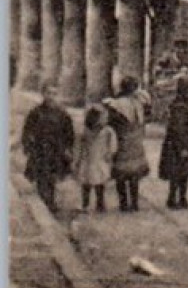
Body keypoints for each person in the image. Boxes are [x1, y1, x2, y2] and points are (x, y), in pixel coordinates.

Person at [22, 83, 74, 213]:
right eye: (48, 93)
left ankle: (50, 201)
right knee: (41, 176)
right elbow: (27, 130)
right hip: (40, 150)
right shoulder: (35, 113)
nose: (51, 96)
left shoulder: (62, 114)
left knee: (52, 177)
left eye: (54, 93)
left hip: (56, 150)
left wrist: (68, 148)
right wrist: (28, 145)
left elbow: (69, 133)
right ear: (43, 94)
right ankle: (44, 202)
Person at [105, 76, 152, 212]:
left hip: (122, 139)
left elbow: (111, 121)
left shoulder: (115, 104)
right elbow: (148, 115)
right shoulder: (140, 103)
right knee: (134, 174)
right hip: (136, 139)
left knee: (121, 173)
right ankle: (134, 203)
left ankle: (124, 203)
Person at [159, 73, 188, 209]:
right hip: (179, 143)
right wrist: (182, 147)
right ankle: (172, 198)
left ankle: (183, 197)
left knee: (185, 171)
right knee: (176, 173)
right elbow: (177, 128)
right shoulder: (179, 106)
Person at [74, 105, 118, 213]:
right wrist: (76, 159)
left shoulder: (108, 131)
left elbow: (113, 144)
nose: (106, 119)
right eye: (103, 117)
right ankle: (85, 204)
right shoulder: (85, 131)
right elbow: (78, 145)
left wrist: (110, 154)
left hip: (100, 159)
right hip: (88, 160)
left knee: (100, 184)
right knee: (86, 184)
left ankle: (100, 203)